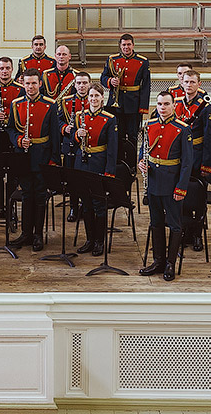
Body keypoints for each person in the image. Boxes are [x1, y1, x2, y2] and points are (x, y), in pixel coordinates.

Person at [138, 91, 194, 281]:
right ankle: (158, 261)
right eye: (160, 104)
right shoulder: (150, 125)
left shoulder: (183, 129)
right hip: (153, 181)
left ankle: (171, 262)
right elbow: (144, 149)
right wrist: (141, 162)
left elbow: (187, 163)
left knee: (175, 225)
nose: (162, 108)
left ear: (173, 106)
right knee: (156, 223)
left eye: (166, 104)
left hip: (172, 184)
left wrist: (181, 188)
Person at [6, 69, 58, 251]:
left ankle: (38, 235)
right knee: (27, 196)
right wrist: (19, 140)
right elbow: (11, 129)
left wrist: (53, 160)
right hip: (23, 158)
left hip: (42, 157)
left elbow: (54, 135)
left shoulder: (50, 105)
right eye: (27, 83)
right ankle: (26, 234)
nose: (30, 87)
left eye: (34, 83)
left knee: (40, 197)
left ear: (40, 84)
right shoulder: (16, 104)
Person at [174, 69, 211, 253]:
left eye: (193, 82)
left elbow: (210, 139)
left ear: (199, 85)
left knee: (199, 197)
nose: (189, 85)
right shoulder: (176, 104)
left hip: (198, 156)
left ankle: (197, 234)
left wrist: (206, 164)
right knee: (181, 194)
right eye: (186, 82)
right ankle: (184, 232)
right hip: (180, 158)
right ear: (181, 83)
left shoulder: (206, 107)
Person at [72, 83, 117, 257]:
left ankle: (100, 241)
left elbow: (112, 149)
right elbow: (72, 140)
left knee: (99, 206)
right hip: (82, 164)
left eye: (97, 96)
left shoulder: (109, 118)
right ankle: (90, 240)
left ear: (102, 98)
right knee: (86, 204)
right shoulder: (78, 116)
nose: (93, 99)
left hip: (99, 164)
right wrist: (77, 135)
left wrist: (109, 172)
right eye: (91, 96)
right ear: (87, 98)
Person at [100, 34, 151, 169]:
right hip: (116, 104)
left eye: (129, 44)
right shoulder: (112, 59)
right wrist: (110, 81)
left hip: (133, 105)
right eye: (124, 45)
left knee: (133, 136)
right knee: (117, 135)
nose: (126, 47)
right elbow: (103, 77)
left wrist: (143, 108)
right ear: (120, 46)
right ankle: (119, 164)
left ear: (133, 45)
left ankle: (132, 165)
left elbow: (146, 86)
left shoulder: (143, 61)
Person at [0, 57, 24, 222]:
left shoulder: (20, 89)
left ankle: (11, 207)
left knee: (14, 175)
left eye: (8, 68)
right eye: (2, 68)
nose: (5, 71)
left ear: (12, 69)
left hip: (13, 136)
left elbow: (22, 114)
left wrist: (8, 117)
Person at [56, 71, 92, 222]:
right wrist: (65, 128)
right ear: (74, 84)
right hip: (70, 145)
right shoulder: (66, 101)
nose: (82, 86)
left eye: (85, 83)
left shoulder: (94, 99)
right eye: (79, 83)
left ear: (89, 84)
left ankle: (86, 206)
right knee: (72, 178)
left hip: (88, 146)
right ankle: (73, 207)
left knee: (86, 178)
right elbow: (57, 121)